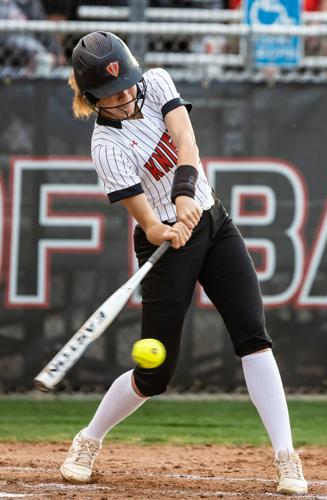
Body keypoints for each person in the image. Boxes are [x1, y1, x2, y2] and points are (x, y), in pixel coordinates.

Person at [60, 31, 307, 496]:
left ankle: (286, 457)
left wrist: (186, 193)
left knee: (254, 336)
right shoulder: (105, 146)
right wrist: (165, 228)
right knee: (155, 372)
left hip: (214, 224)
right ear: (93, 99)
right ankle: (88, 439)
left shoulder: (154, 81)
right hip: (168, 248)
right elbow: (148, 225)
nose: (126, 95)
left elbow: (185, 141)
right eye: (112, 94)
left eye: (126, 84)